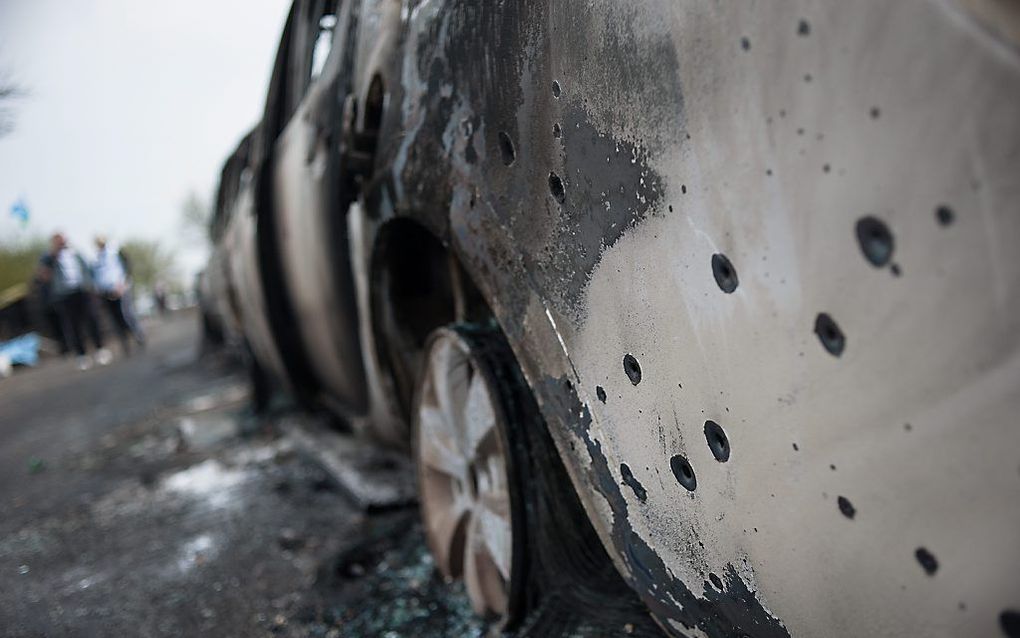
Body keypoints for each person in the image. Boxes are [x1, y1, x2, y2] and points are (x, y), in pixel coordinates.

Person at [37, 233, 111, 370]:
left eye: (63, 240)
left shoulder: (76, 253)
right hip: (65, 295)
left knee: (92, 318)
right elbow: (43, 275)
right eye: (58, 241)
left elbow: (87, 270)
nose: (62, 243)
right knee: (73, 325)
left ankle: (100, 349)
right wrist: (53, 257)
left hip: (82, 291)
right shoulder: (48, 257)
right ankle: (81, 355)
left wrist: (91, 286)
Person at [92, 236, 145, 353]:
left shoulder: (115, 252)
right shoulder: (96, 260)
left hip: (121, 288)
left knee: (127, 313)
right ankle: (124, 342)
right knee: (114, 319)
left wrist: (123, 284)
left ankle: (138, 334)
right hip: (106, 292)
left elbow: (126, 268)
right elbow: (97, 277)